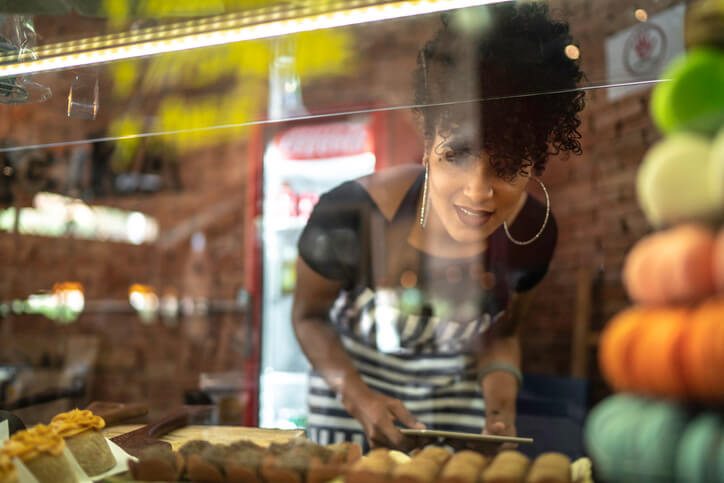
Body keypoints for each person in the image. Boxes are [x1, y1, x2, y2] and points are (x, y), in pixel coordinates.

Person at [292, 2, 585, 451]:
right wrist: (360, 399)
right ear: (427, 145)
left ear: (536, 164)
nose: (478, 192)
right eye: (457, 155)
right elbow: (308, 317)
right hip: (350, 424)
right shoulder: (351, 214)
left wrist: (500, 412)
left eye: (509, 164)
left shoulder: (532, 234)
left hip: (456, 432)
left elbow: (502, 336)